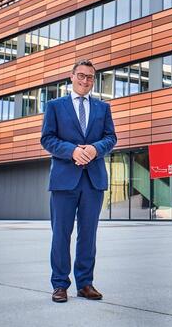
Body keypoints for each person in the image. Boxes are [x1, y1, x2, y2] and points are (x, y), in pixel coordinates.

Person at [41, 59, 117, 303]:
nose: (86, 81)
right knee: (61, 234)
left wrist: (95, 149)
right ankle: (60, 284)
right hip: (64, 180)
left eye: (90, 77)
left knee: (88, 235)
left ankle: (85, 283)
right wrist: (72, 151)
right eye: (81, 76)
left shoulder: (102, 108)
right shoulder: (54, 106)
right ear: (71, 77)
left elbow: (111, 137)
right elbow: (47, 139)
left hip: (93, 180)